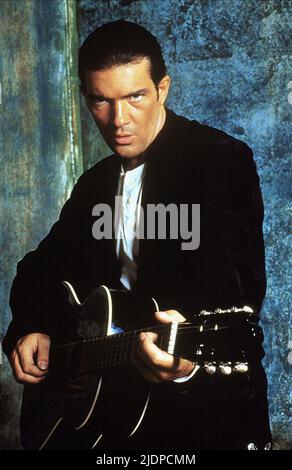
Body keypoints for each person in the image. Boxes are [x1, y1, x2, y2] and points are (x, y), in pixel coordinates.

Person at [3, 20, 272, 450]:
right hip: (110, 413)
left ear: (162, 89)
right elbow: (37, 269)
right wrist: (31, 327)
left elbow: (237, 287)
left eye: (135, 97)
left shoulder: (220, 161)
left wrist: (186, 362)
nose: (118, 120)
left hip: (201, 408)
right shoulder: (94, 185)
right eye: (101, 101)